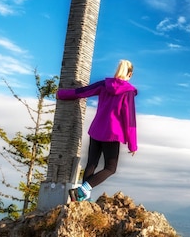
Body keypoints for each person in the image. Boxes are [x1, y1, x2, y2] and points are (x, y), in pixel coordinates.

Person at [56, 59, 138, 202]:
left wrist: (61, 94)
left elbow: (82, 92)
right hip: (112, 134)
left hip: (96, 130)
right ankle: (82, 190)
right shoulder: (128, 91)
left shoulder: (104, 84)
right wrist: (133, 145)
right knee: (110, 168)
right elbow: (130, 119)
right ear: (129, 74)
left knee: (92, 164)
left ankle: (80, 197)